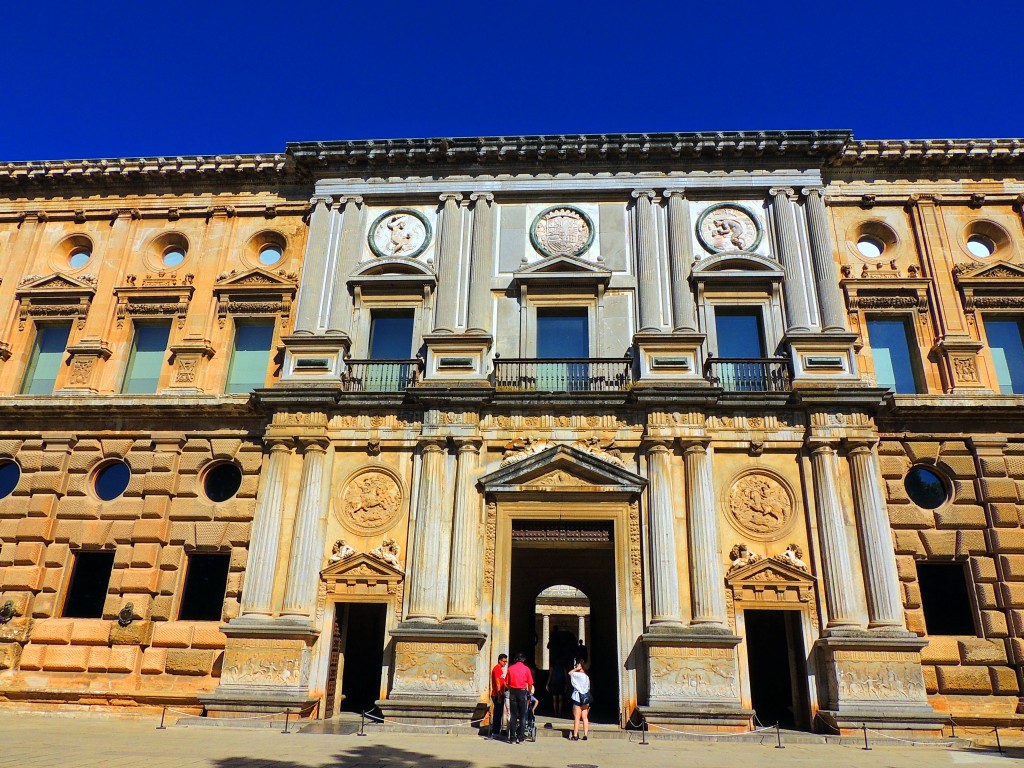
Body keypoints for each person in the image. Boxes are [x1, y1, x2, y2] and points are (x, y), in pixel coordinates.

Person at [505, 652, 534, 744]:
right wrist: (529, 691)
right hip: (522, 692)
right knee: (522, 715)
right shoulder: (526, 669)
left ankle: (512, 737)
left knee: (513, 715)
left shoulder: (510, 668)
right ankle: (521, 736)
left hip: (513, 692)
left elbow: (506, 683)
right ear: (523, 660)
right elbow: (530, 682)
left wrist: (511, 688)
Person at [569, 659, 591, 741]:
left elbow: (570, 673)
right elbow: (588, 688)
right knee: (585, 717)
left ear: (580, 666)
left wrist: (576, 669)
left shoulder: (577, 675)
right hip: (585, 698)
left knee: (577, 717)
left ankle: (575, 735)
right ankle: (585, 735)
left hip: (577, 698)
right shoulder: (586, 677)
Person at [489, 654, 508, 739]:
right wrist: (499, 695)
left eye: (506, 662)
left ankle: (497, 730)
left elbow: (502, 681)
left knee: (499, 713)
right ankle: (495, 731)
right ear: (499, 660)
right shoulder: (496, 669)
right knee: (497, 713)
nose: (505, 663)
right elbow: (497, 683)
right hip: (497, 694)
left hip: (500, 693)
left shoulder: (500, 670)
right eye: (504, 661)